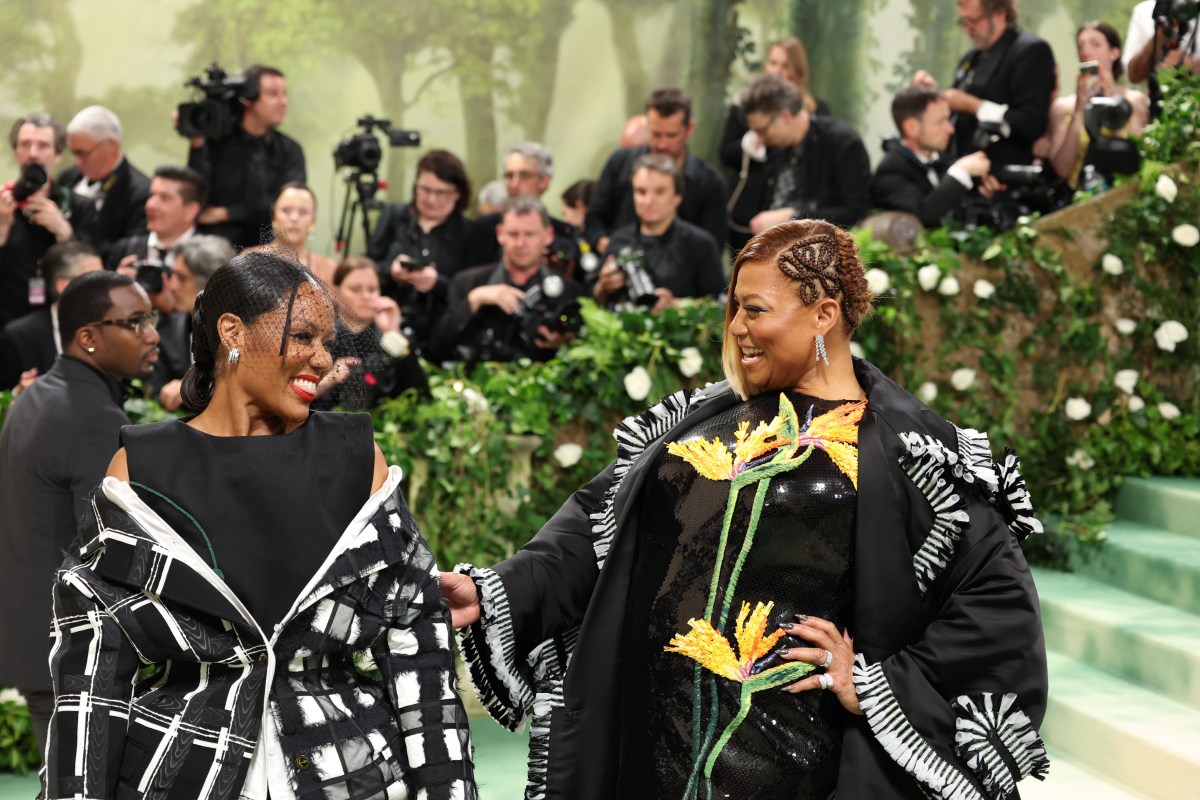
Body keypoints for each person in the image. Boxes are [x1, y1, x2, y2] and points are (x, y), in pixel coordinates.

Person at [442, 218, 1049, 799]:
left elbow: (998, 607)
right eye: (733, 309)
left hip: (790, 760)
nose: (735, 327)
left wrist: (874, 685)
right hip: (654, 741)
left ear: (824, 314)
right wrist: (501, 588)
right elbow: (597, 526)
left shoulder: (911, 449)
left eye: (755, 309)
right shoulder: (705, 419)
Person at [41, 252, 476, 799]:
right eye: (302, 336)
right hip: (181, 775)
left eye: (327, 341)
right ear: (232, 331)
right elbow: (92, 680)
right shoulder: (142, 467)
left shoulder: (357, 457)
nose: (321, 359)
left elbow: (421, 656)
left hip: (352, 776)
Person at [0, 270, 159, 756]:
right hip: (71, 649)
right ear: (88, 337)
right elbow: (110, 549)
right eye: (134, 323)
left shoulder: (40, 395)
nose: (151, 335)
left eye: (151, 319)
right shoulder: (91, 416)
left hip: (40, 638)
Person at [428, 196, 583, 365]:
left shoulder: (569, 293)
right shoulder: (468, 283)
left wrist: (567, 347)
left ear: (548, 235)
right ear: (500, 234)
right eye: (513, 234)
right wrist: (474, 300)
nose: (520, 243)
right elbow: (435, 349)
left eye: (530, 234)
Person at [732, 76, 871, 248]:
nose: (760, 140)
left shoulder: (842, 142)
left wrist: (794, 217)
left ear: (785, 115)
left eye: (762, 131)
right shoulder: (776, 145)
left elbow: (855, 211)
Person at [914, 0, 1056, 169]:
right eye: (963, 22)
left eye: (973, 21)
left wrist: (974, 106)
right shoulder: (970, 59)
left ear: (999, 14)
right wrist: (935, 94)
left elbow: (1031, 124)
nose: (967, 29)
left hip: (1005, 173)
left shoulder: (1029, 51)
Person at [585, 87, 728, 255]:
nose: (662, 144)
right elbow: (594, 220)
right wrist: (613, 250)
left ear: (689, 129)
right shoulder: (620, 162)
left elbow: (711, 249)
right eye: (656, 134)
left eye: (671, 135)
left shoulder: (711, 184)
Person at [183, 64, 306, 249]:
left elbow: (286, 205)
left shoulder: (290, 150)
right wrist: (197, 145)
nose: (283, 102)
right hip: (214, 246)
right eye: (273, 94)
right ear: (248, 99)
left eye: (284, 94)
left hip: (270, 248)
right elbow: (197, 195)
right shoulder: (216, 143)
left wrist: (226, 213)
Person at [367, 149, 474, 354]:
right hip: (385, 328)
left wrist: (437, 283)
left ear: (457, 193)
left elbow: (471, 289)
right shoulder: (394, 216)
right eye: (425, 189)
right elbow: (368, 268)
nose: (432, 199)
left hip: (442, 333)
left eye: (441, 192)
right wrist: (392, 271)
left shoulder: (468, 232)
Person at [592, 154, 724, 312]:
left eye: (659, 192)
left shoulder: (700, 245)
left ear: (678, 196)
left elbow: (720, 304)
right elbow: (592, 301)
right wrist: (603, 287)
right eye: (641, 192)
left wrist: (676, 305)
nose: (648, 201)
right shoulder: (620, 239)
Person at [0, 112, 96, 327]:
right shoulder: (1, 203)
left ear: (57, 155)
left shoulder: (79, 205)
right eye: (25, 144)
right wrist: (2, 231)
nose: (33, 153)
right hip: (7, 323)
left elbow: (94, 274)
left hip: (64, 323)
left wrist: (65, 233)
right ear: (15, 152)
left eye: (43, 145)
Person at [870, 85, 997, 228]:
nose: (950, 129)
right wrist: (961, 173)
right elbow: (924, 216)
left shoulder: (941, 158)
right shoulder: (891, 172)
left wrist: (983, 192)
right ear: (912, 128)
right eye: (941, 121)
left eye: (948, 119)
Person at [314, 255, 428, 411]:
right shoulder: (318, 335)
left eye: (372, 290)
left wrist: (393, 333)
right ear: (335, 290)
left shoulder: (388, 333)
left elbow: (420, 395)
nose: (366, 296)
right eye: (355, 289)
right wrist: (330, 379)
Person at [1046, 21, 1150, 188]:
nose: (1086, 52)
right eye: (1080, 46)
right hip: (1081, 197)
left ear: (1114, 52)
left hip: (1126, 190)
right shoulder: (1063, 107)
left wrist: (1112, 102)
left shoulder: (1134, 101)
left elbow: (1138, 159)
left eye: (1095, 45)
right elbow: (1062, 170)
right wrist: (1079, 110)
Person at [0, 240, 103, 390]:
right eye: (95, 280)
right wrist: (19, 394)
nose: (104, 287)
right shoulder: (19, 336)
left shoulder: (109, 327)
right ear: (64, 285)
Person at [719, 36, 831, 172]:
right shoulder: (746, 104)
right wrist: (750, 144)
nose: (777, 71)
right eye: (773, 63)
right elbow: (726, 154)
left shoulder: (815, 109)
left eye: (785, 66)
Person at [473, 142, 585, 277]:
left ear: (544, 181)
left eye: (524, 175)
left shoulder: (565, 234)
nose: (514, 184)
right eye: (509, 176)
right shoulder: (482, 229)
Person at [58, 105, 151, 261]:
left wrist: (69, 235)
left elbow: (130, 253)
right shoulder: (67, 177)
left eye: (83, 153)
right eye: (73, 153)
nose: (77, 161)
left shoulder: (140, 192)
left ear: (111, 146)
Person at [155, 234, 234, 411]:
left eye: (181, 278)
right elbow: (154, 392)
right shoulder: (167, 330)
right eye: (172, 275)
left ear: (211, 282)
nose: (172, 286)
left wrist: (194, 388)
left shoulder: (243, 331)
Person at [108, 165, 207, 269]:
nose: (150, 205)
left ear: (191, 211)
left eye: (165, 198)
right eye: (151, 195)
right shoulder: (123, 251)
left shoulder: (210, 262)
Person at [246, 181, 337, 284]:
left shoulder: (327, 268)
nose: (294, 218)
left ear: (313, 221)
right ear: (273, 216)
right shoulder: (249, 260)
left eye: (303, 212)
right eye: (286, 210)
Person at [1124, 0, 1200, 85]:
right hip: (1159, 95)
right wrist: (1160, 33)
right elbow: (1133, 76)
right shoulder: (1145, 11)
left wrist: (1191, 65)